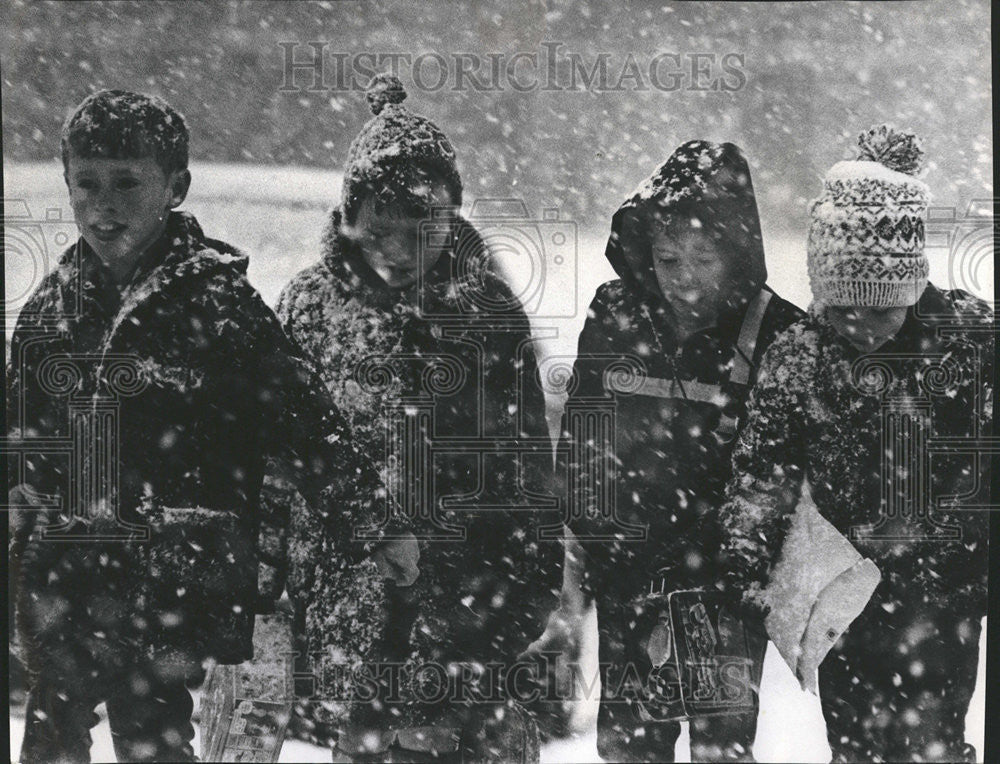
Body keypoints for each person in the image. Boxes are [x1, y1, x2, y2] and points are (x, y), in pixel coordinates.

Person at [6, 89, 383, 763]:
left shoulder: (216, 303)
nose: (104, 204)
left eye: (127, 183)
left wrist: (371, 522)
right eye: (85, 184)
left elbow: (301, 416)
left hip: (173, 571)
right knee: (49, 733)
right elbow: (19, 443)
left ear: (176, 187)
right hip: (70, 573)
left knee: (154, 731)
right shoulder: (52, 311)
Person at [266, 73, 561, 762]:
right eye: (380, 230)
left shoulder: (486, 315)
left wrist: (515, 604)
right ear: (350, 219)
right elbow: (272, 460)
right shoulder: (310, 310)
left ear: (451, 218)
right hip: (349, 615)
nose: (397, 250)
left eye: (419, 231)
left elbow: (525, 475)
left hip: (467, 612)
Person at [718, 125, 992, 762]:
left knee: (931, 746)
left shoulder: (971, 344)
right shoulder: (801, 353)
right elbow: (764, 472)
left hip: (943, 600)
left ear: (912, 288)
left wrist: (947, 551)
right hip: (841, 599)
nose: (860, 329)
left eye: (880, 312)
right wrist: (746, 562)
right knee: (857, 750)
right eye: (842, 311)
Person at [559, 140, 804, 762]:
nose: (683, 276)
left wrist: (727, 564)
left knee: (720, 746)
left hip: (722, 582)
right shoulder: (616, 316)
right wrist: (594, 540)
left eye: (702, 257)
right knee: (629, 748)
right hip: (627, 569)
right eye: (668, 258)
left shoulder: (778, 334)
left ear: (737, 253)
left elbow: (783, 468)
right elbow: (583, 441)